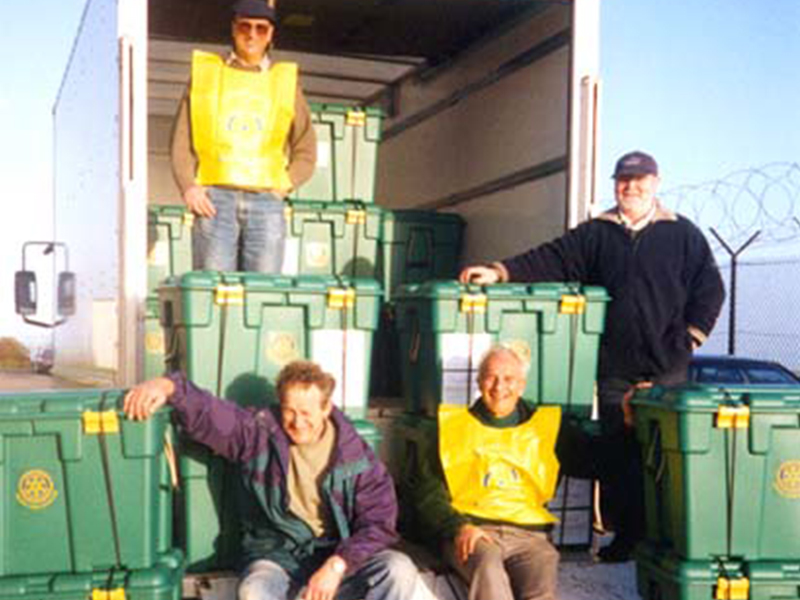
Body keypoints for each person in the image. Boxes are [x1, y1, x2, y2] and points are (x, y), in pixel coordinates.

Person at [459, 150, 725, 562]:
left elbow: (710, 290)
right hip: (616, 370)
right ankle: (627, 538)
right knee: (620, 456)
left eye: (639, 180)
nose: (630, 187)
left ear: (655, 183)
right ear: (615, 183)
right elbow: (553, 257)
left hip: (668, 368)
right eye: (623, 180)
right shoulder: (596, 234)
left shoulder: (683, 234)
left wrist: (688, 341)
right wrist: (499, 272)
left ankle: (671, 542)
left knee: (668, 458)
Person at [125, 361, 421, 600]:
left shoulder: (356, 456)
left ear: (326, 408)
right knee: (254, 591)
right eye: (290, 411)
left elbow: (379, 523)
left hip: (336, 555)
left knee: (398, 569)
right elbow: (210, 413)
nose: (297, 422)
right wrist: (169, 386)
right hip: (276, 556)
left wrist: (337, 564)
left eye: (306, 412)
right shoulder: (259, 433)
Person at [405, 345, 587, 600]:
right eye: (491, 377)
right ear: (479, 382)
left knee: (542, 570)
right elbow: (426, 492)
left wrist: (628, 422)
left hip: (529, 536)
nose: (499, 387)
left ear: (522, 385)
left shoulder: (547, 427)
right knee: (487, 566)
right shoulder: (450, 428)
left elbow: (595, 457)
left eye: (509, 379)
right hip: (472, 532)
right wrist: (458, 527)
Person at [171, 0, 317, 273]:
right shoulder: (206, 77)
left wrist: (284, 185)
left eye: (261, 29)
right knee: (214, 294)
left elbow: (306, 146)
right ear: (233, 28)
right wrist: (188, 186)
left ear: (271, 34)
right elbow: (182, 138)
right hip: (214, 201)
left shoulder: (285, 83)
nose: (252, 35)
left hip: (266, 202)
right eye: (245, 26)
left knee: (262, 295)